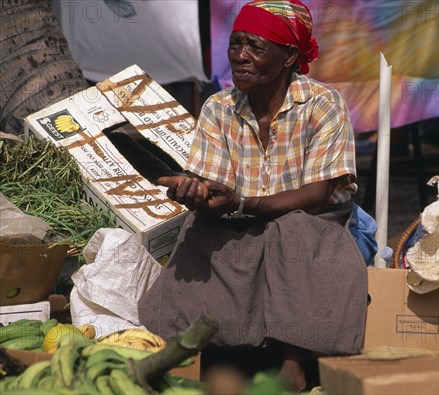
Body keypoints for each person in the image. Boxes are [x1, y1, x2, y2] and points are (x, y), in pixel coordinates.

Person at [138, 0, 368, 391]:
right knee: (196, 232)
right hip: (239, 219)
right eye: (235, 44)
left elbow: (317, 195)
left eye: (255, 48)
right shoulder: (218, 108)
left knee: (294, 231)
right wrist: (196, 195)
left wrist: (243, 203)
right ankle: (191, 352)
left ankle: (294, 362)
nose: (240, 57)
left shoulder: (322, 104)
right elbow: (214, 191)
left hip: (310, 220)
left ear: (289, 55)